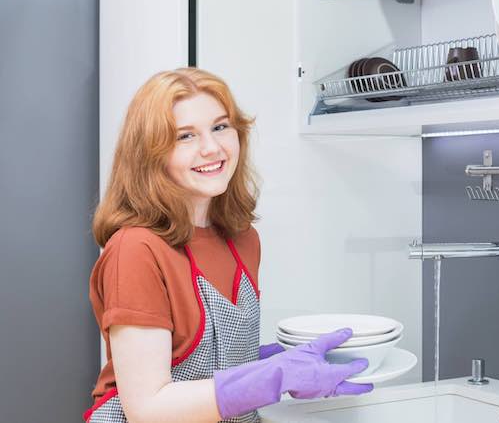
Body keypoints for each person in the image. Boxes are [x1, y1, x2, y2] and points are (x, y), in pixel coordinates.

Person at [84, 68, 373, 423]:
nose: (212, 148)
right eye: (185, 136)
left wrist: (283, 359)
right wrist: (275, 375)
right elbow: (148, 408)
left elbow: (219, 362)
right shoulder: (136, 250)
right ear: (150, 154)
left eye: (220, 127)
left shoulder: (242, 238)